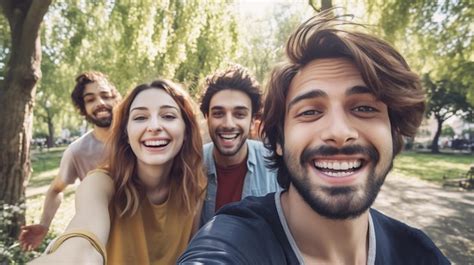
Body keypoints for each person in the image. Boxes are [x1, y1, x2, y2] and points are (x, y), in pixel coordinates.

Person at [178, 12, 450, 264]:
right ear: (279, 140)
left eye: (365, 108)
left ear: (393, 131)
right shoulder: (234, 236)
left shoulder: (420, 253)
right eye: (309, 111)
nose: (339, 132)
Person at [30, 79, 207, 264]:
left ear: (186, 130)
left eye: (169, 116)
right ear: (126, 134)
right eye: (140, 117)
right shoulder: (100, 183)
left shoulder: (195, 185)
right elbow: (83, 241)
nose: (154, 126)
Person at [19, 71, 121, 251]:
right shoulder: (77, 151)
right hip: (106, 239)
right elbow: (56, 189)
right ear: (82, 109)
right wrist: (44, 224)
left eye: (105, 96)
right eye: (90, 99)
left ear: (117, 101)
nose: (100, 103)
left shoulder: (139, 137)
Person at [199, 65, 280, 225]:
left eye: (239, 114)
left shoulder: (275, 165)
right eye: (218, 113)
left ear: (252, 120)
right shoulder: (191, 164)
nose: (228, 124)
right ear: (207, 117)